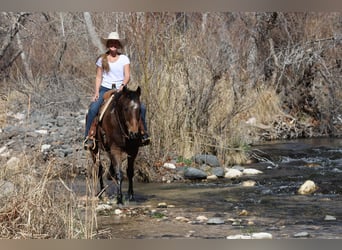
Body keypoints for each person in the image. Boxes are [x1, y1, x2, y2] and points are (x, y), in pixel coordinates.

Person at [84, 31, 150, 149]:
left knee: (141, 107)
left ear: (118, 45)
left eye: (115, 43)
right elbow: (99, 77)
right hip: (105, 88)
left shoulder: (124, 58)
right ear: (108, 44)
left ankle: (143, 133)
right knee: (93, 109)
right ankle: (89, 137)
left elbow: (127, 75)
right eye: (111, 43)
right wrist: (96, 92)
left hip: (121, 89)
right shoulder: (102, 59)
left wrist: (123, 85)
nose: (113, 45)